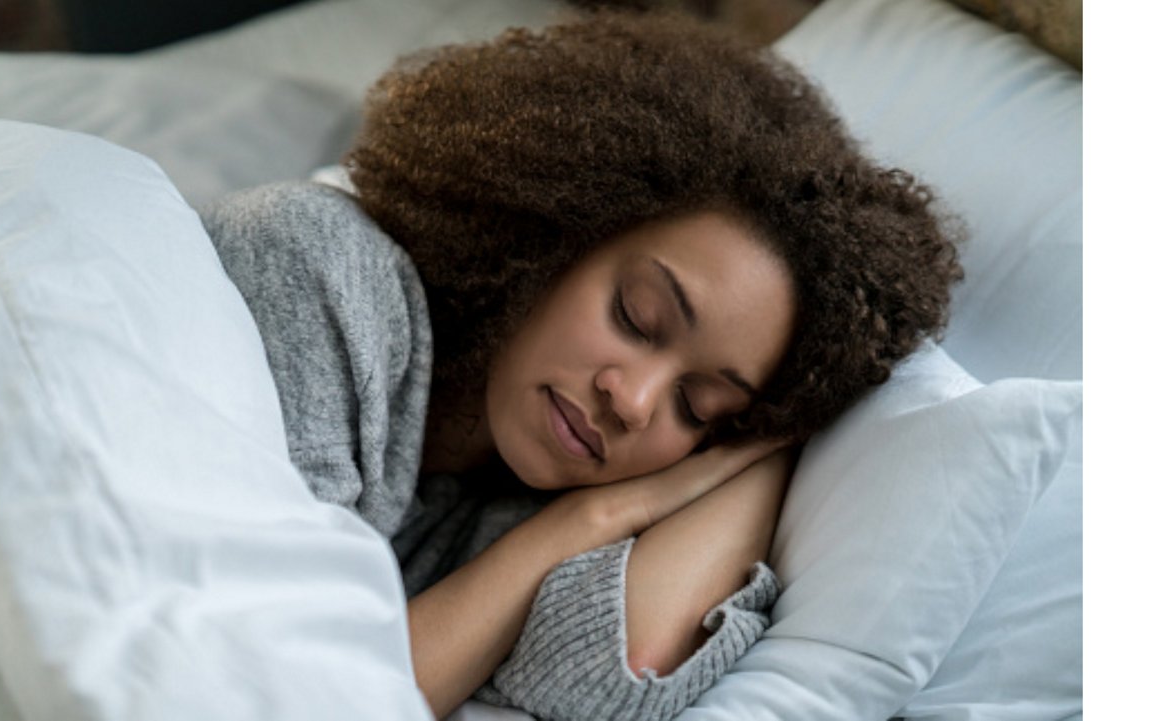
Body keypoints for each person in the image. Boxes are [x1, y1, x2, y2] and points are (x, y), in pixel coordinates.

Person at [198, 10, 962, 721]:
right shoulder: (315, 268)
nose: (632, 402)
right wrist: (588, 520)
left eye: (699, 407)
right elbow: (291, 693)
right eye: (636, 316)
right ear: (553, 228)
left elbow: (611, 669)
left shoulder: (515, 489)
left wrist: (774, 444)